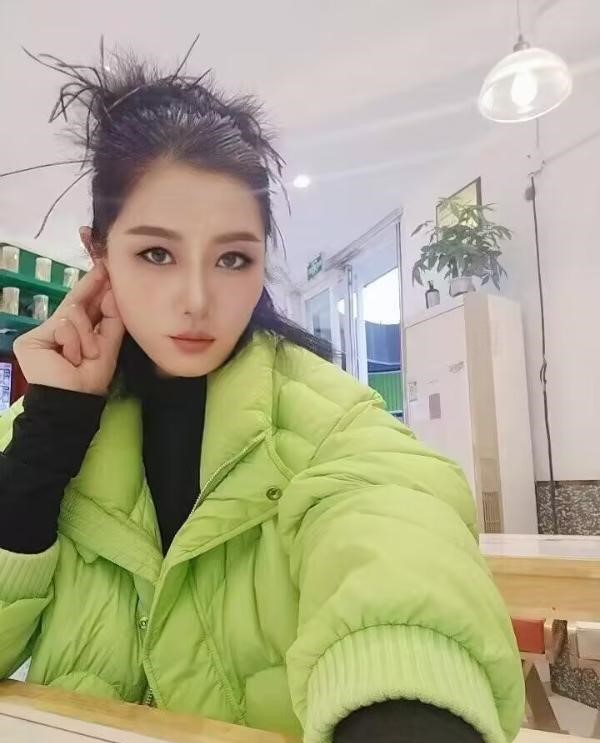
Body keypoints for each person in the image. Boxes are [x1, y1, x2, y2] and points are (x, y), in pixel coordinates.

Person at [0, 46, 524, 743]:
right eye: (156, 253)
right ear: (100, 256)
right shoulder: (47, 422)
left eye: (232, 258)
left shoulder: (329, 420)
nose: (197, 299)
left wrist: (408, 699)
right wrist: (51, 431)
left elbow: (397, 558)